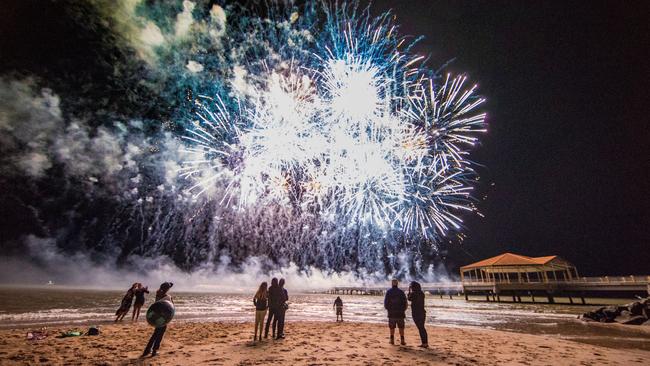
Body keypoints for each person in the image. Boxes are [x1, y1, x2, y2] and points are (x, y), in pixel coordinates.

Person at [142, 282, 173, 357]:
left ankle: (147, 350)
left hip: (156, 317)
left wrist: (168, 285)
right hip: (163, 318)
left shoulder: (158, 294)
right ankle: (154, 351)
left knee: (155, 334)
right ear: (168, 289)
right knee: (159, 335)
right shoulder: (168, 297)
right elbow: (170, 307)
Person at [384, 279, 408, 345]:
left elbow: (386, 303)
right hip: (400, 313)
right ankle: (402, 340)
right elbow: (405, 303)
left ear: (392, 284)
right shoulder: (401, 292)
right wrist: (403, 310)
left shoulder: (388, 292)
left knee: (392, 327)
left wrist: (388, 309)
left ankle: (392, 340)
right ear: (397, 284)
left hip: (391, 313)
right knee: (401, 327)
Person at [408, 281, 428, 348]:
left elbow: (409, 298)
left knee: (421, 328)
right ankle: (425, 342)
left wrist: (409, 291)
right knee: (422, 328)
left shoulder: (413, 293)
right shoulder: (422, 293)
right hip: (422, 312)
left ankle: (424, 343)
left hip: (416, 313)